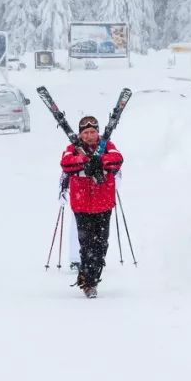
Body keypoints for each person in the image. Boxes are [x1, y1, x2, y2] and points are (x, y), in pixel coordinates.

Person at [60, 115, 123, 298]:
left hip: (103, 204)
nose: (89, 135)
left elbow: (118, 158)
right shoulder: (72, 149)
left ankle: (92, 276)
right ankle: (89, 282)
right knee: (86, 244)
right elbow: (65, 163)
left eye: (93, 132)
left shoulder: (107, 146)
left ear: (98, 133)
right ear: (81, 134)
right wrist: (86, 161)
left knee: (101, 244)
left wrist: (100, 161)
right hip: (82, 206)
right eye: (86, 132)